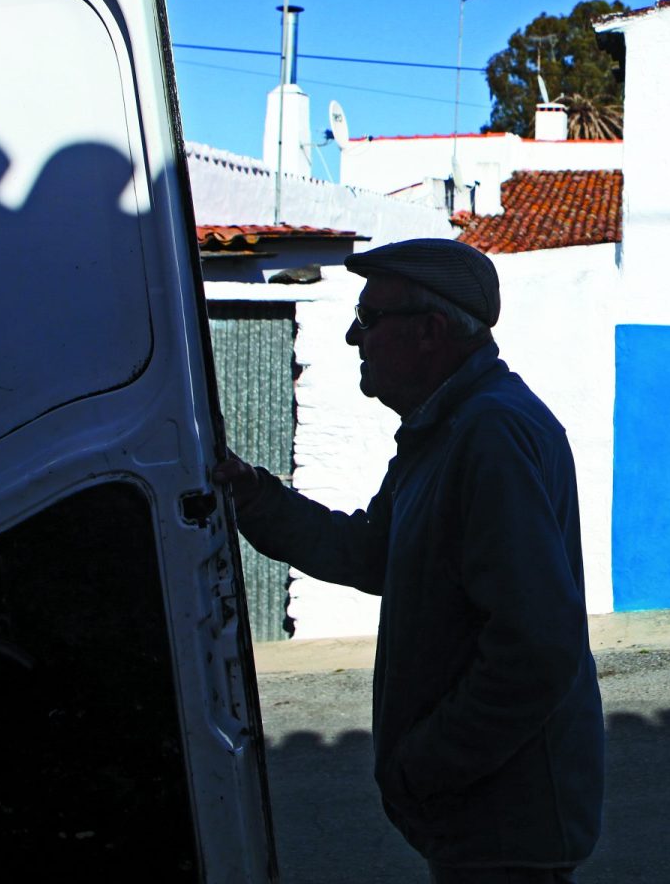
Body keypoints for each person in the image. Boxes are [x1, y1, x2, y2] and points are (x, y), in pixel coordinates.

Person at [214, 237, 603, 883]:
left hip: (506, 820)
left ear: (430, 330)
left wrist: (427, 763)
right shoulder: (445, 429)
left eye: (368, 320)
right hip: (482, 815)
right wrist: (257, 499)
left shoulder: (489, 433)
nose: (350, 338)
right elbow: (373, 553)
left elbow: (537, 647)